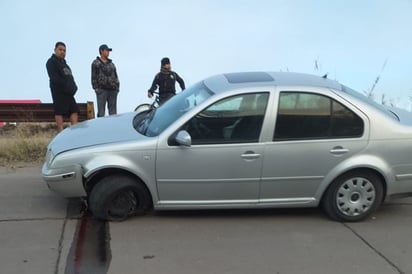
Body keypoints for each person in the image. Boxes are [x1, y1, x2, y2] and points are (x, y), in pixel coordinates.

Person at [46, 41, 79, 132]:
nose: (62, 52)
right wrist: (65, 85)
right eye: (60, 49)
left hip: (69, 93)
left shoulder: (66, 65)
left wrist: (74, 87)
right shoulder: (51, 62)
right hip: (58, 92)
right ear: (55, 50)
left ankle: (74, 131)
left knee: (74, 110)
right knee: (59, 111)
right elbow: (54, 77)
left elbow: (71, 78)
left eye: (64, 50)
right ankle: (60, 132)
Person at [91, 44, 120, 117]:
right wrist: (96, 88)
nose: (108, 52)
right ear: (101, 51)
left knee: (113, 112)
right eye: (107, 50)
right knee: (101, 112)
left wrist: (117, 87)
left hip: (112, 90)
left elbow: (115, 75)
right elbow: (93, 76)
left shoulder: (112, 64)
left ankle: (113, 127)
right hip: (101, 90)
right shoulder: (95, 63)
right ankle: (101, 127)